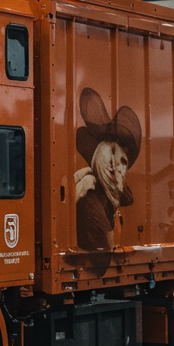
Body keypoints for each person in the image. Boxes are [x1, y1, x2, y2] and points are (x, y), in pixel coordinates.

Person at [74, 87, 142, 259]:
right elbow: (102, 258)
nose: (115, 166)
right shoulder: (90, 200)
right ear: (97, 152)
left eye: (123, 162)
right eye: (111, 151)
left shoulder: (110, 197)